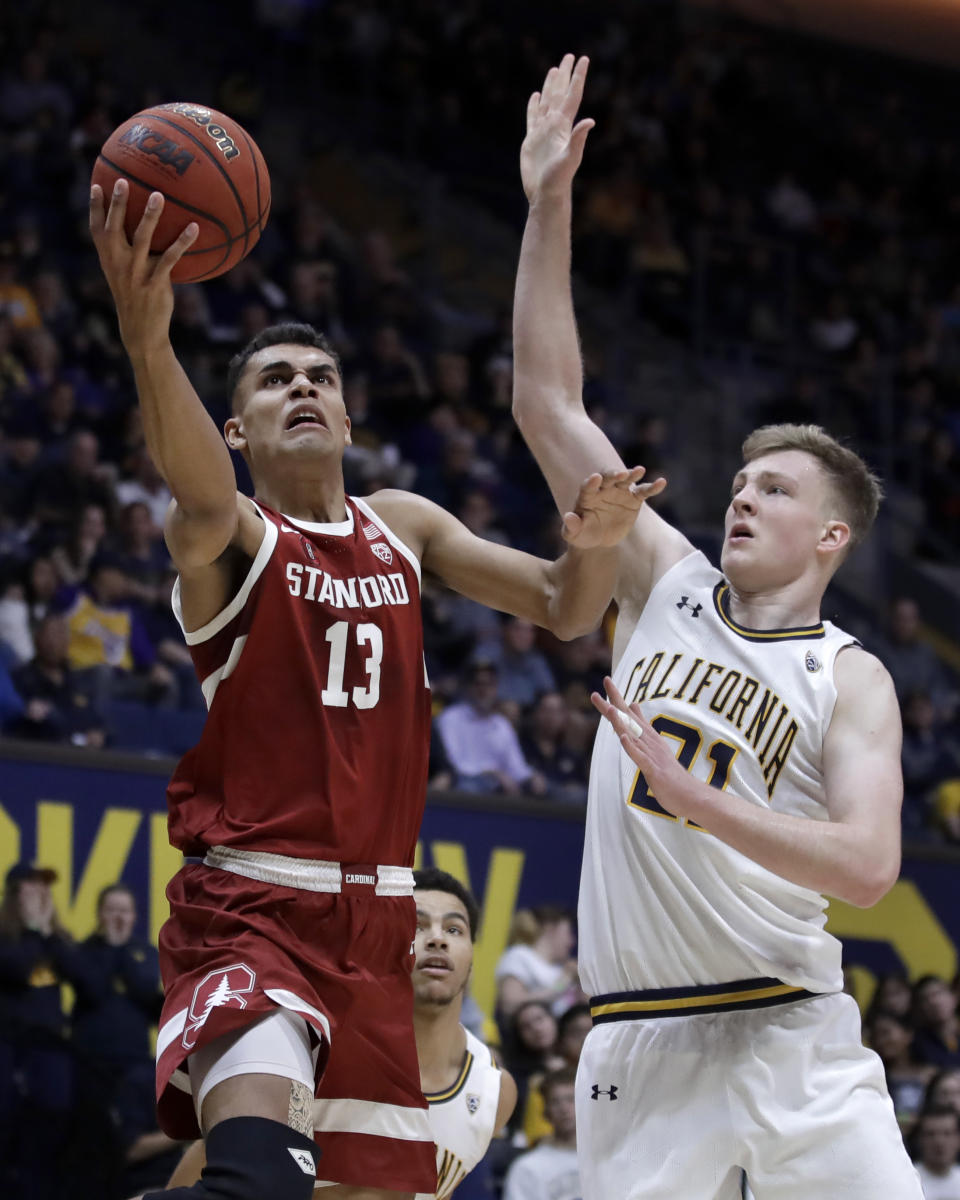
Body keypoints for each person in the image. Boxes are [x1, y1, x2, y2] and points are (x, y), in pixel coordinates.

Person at [89, 175, 652, 1200]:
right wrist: (147, 341)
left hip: (378, 923)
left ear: (348, 414)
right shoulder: (233, 540)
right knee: (257, 1180)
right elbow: (201, 499)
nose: (302, 389)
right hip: (255, 905)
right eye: (273, 382)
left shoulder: (406, 524)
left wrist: (603, 542)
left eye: (320, 376)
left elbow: (569, 609)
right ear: (233, 429)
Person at [511, 54, 923, 1199]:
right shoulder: (662, 579)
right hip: (640, 1044)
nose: (744, 496)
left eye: (777, 491)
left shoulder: (855, 678)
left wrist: (697, 802)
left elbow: (872, 866)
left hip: (794, 1031)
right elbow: (548, 403)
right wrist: (548, 202)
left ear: (833, 538)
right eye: (742, 483)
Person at [159, 869, 517, 1200]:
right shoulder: (320, 1053)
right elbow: (222, 1165)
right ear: (383, 946)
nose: (437, 939)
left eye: (454, 929)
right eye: (417, 925)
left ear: (472, 958)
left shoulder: (494, 1093)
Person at [501, 1067, 582, 1200]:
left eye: (570, 1099)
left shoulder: (604, 1160)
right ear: (546, 1112)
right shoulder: (528, 1167)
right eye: (555, 1102)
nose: (564, 1109)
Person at [913, 1107, 960, 1199]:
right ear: (919, 1139)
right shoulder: (907, 1179)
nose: (939, 1141)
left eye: (947, 1133)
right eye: (931, 1134)